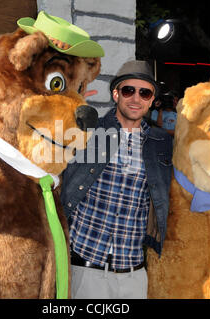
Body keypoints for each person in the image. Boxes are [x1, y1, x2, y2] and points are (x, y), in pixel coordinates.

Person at [61, 60, 173, 299]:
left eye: (145, 93)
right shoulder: (89, 131)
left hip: (133, 274)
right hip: (85, 269)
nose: (136, 98)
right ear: (116, 94)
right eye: (128, 90)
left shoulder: (161, 143)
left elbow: (190, 180)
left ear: (152, 100)